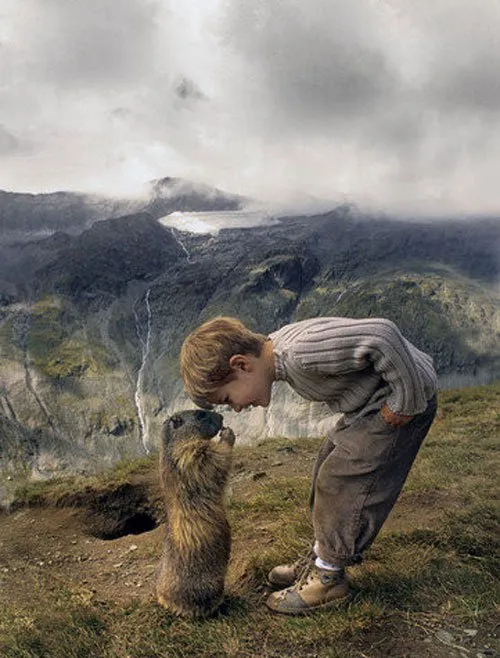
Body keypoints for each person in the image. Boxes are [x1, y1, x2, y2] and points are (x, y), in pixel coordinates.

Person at [180, 315, 438, 615]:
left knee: (340, 482)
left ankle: (329, 577)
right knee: (326, 467)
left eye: (228, 398)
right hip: (369, 404)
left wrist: (405, 400)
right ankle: (320, 558)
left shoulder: (300, 354)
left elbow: (382, 334)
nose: (236, 407)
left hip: (399, 402)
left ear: (241, 365)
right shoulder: (280, 352)